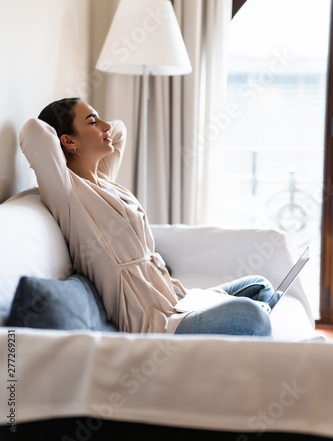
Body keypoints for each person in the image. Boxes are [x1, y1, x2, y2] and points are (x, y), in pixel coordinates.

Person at [20, 97, 279, 336]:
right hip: (156, 321)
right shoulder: (67, 193)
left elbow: (119, 130)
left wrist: (92, 122)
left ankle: (252, 334)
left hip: (179, 300)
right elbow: (33, 132)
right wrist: (66, 130)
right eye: (93, 122)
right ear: (67, 141)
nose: (106, 126)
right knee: (253, 315)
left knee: (260, 286)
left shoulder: (106, 181)